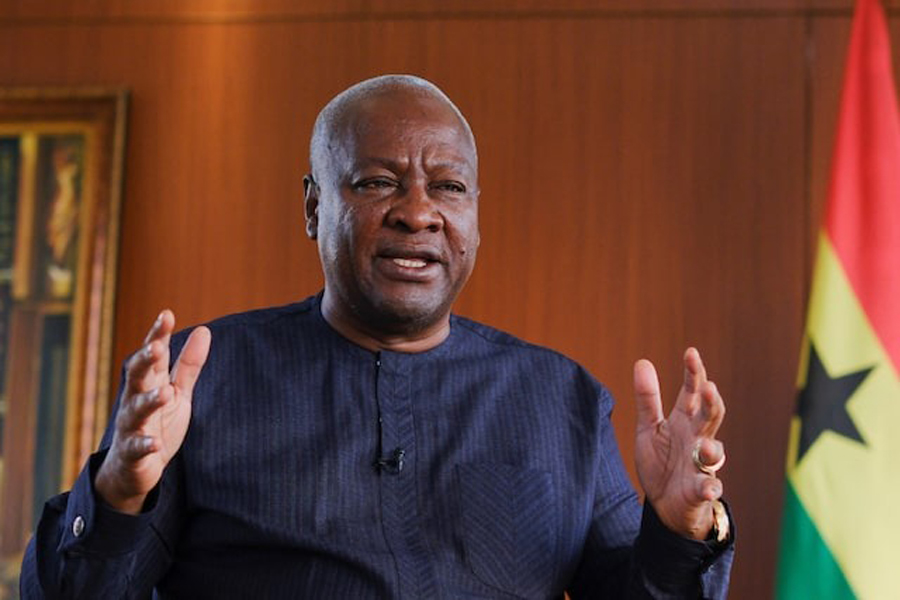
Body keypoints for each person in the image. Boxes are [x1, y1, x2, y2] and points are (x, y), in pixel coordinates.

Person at [21, 75, 734, 599]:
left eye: (448, 187)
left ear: (475, 214)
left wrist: (678, 532)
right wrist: (117, 492)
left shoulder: (561, 399)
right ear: (313, 206)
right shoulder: (201, 379)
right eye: (375, 183)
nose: (417, 213)